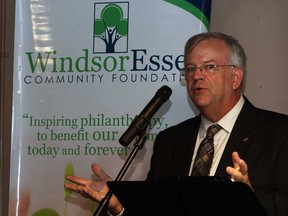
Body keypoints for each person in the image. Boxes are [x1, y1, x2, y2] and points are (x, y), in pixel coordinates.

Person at [64, 32, 288, 216]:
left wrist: (249, 196)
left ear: (236, 77)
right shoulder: (169, 141)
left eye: (209, 67)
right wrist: (119, 206)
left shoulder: (279, 134)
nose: (196, 76)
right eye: (190, 69)